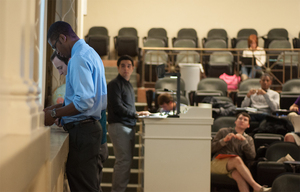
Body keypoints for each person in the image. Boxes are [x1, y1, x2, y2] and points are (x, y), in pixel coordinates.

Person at [45, 21, 107, 192]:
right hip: (89, 129)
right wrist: (54, 109)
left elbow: (84, 102)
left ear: (62, 38)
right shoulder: (90, 53)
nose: (57, 52)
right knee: (88, 186)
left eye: (54, 46)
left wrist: (55, 113)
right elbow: (87, 98)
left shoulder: (78, 58)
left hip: (83, 132)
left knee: (83, 188)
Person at [107, 55, 150, 192]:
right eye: (123, 65)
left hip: (128, 126)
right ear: (118, 67)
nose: (126, 68)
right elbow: (118, 108)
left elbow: (129, 107)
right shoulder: (114, 84)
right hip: (119, 126)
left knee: (126, 163)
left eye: (129, 66)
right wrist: (136, 114)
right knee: (123, 162)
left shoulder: (129, 85)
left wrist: (136, 114)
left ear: (132, 68)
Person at [211, 112, 271, 192]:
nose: (242, 121)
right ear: (235, 121)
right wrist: (224, 141)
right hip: (217, 163)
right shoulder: (223, 132)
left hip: (234, 167)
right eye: (240, 118)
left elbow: (252, 156)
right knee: (237, 159)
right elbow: (211, 148)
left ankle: (255, 188)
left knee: (240, 177)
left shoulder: (248, 139)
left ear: (248, 125)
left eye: (245, 120)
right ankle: (256, 186)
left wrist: (244, 142)